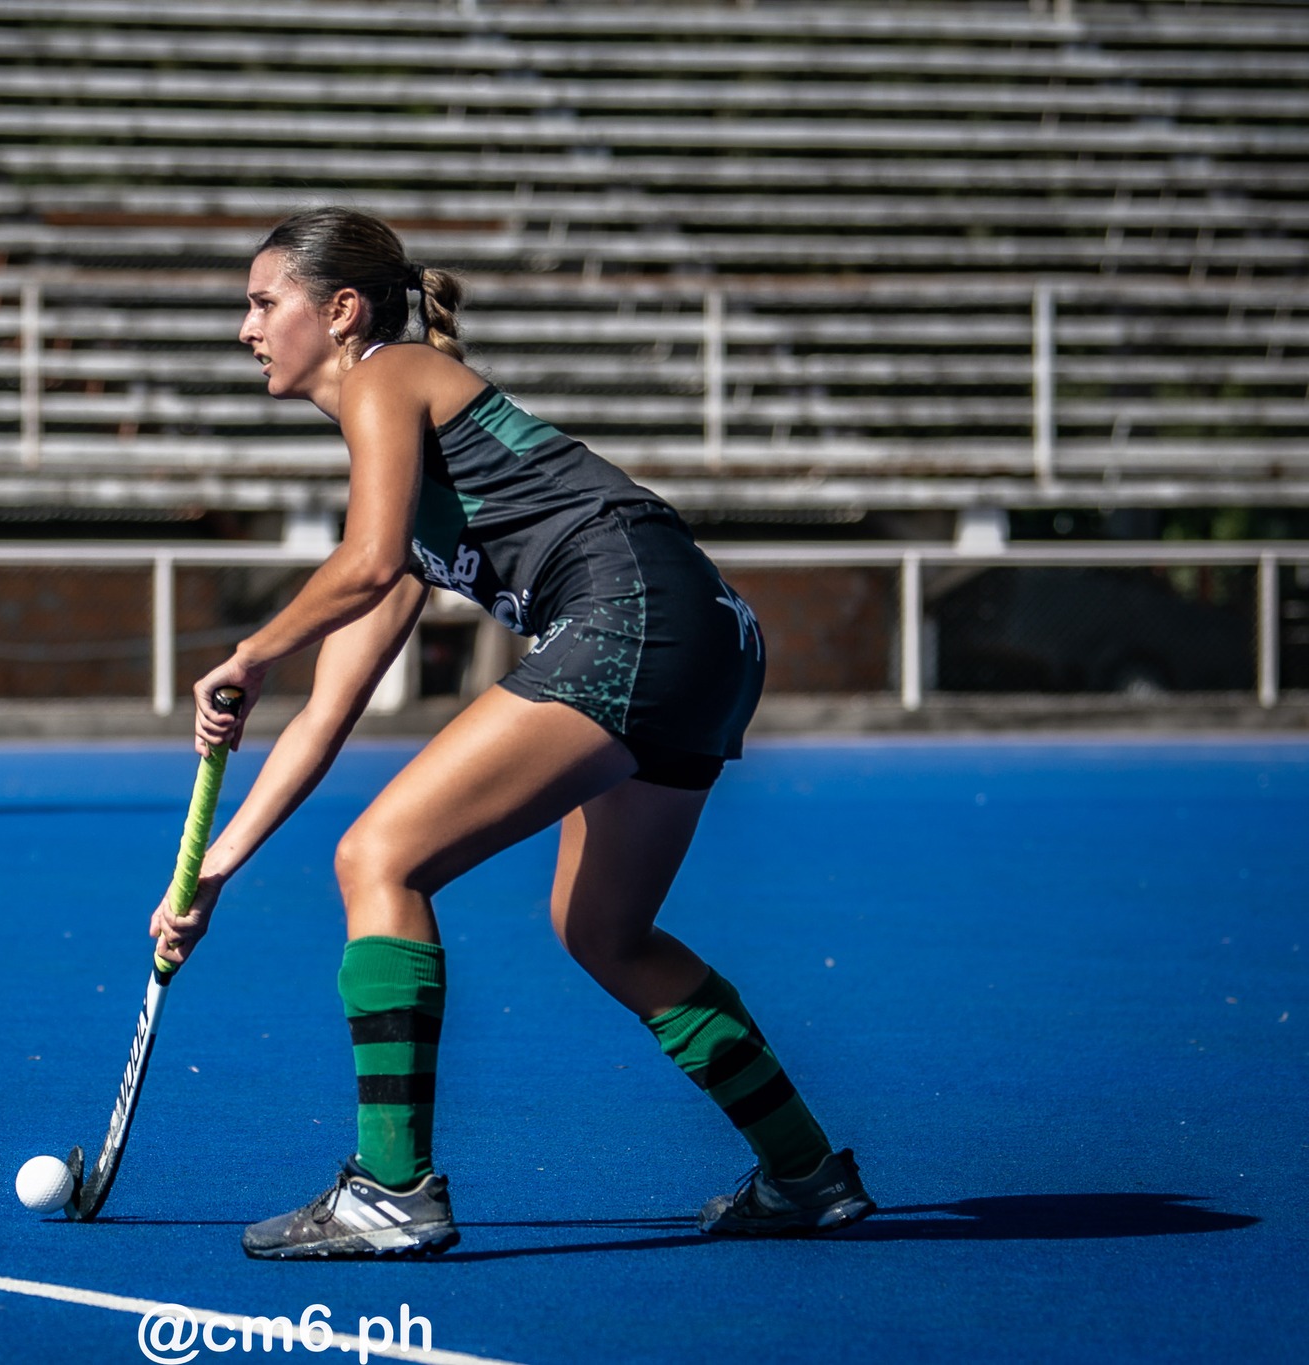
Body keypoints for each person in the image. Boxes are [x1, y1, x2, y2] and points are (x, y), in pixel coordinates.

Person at [148, 208, 874, 1260]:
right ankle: (805, 1174)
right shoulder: (398, 476)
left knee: (379, 858)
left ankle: (389, 1192)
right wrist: (212, 869)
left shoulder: (387, 377)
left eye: (263, 304)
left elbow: (356, 566)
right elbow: (325, 714)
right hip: (707, 638)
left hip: (629, 613)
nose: (244, 329)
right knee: (602, 932)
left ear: (340, 311)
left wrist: (250, 650)